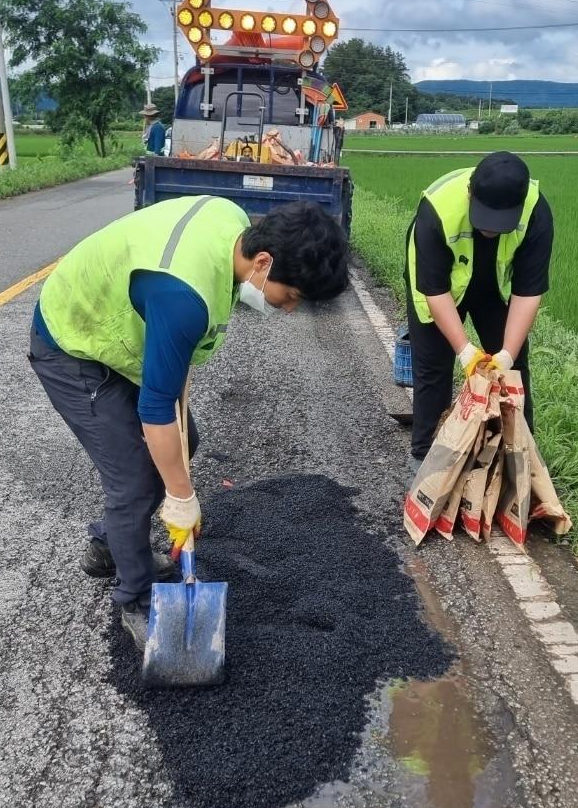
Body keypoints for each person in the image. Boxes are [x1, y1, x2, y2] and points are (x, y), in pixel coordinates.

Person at [28, 198, 349, 646]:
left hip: (126, 340)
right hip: (74, 343)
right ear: (263, 261)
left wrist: (180, 482)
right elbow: (156, 408)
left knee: (184, 443)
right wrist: (181, 499)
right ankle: (136, 599)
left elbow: (173, 384)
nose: (289, 309)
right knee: (137, 478)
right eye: (291, 296)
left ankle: (109, 545)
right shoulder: (182, 298)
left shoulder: (234, 224)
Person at [403, 151, 554, 470]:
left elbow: (528, 292)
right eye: (485, 218)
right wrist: (464, 351)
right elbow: (435, 290)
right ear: (470, 193)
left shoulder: (536, 212)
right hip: (443, 286)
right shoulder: (437, 211)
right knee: (434, 367)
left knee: (513, 370)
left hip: (492, 288)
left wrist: (507, 354)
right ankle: (424, 459)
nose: (492, 229)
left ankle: (519, 457)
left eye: (501, 223)